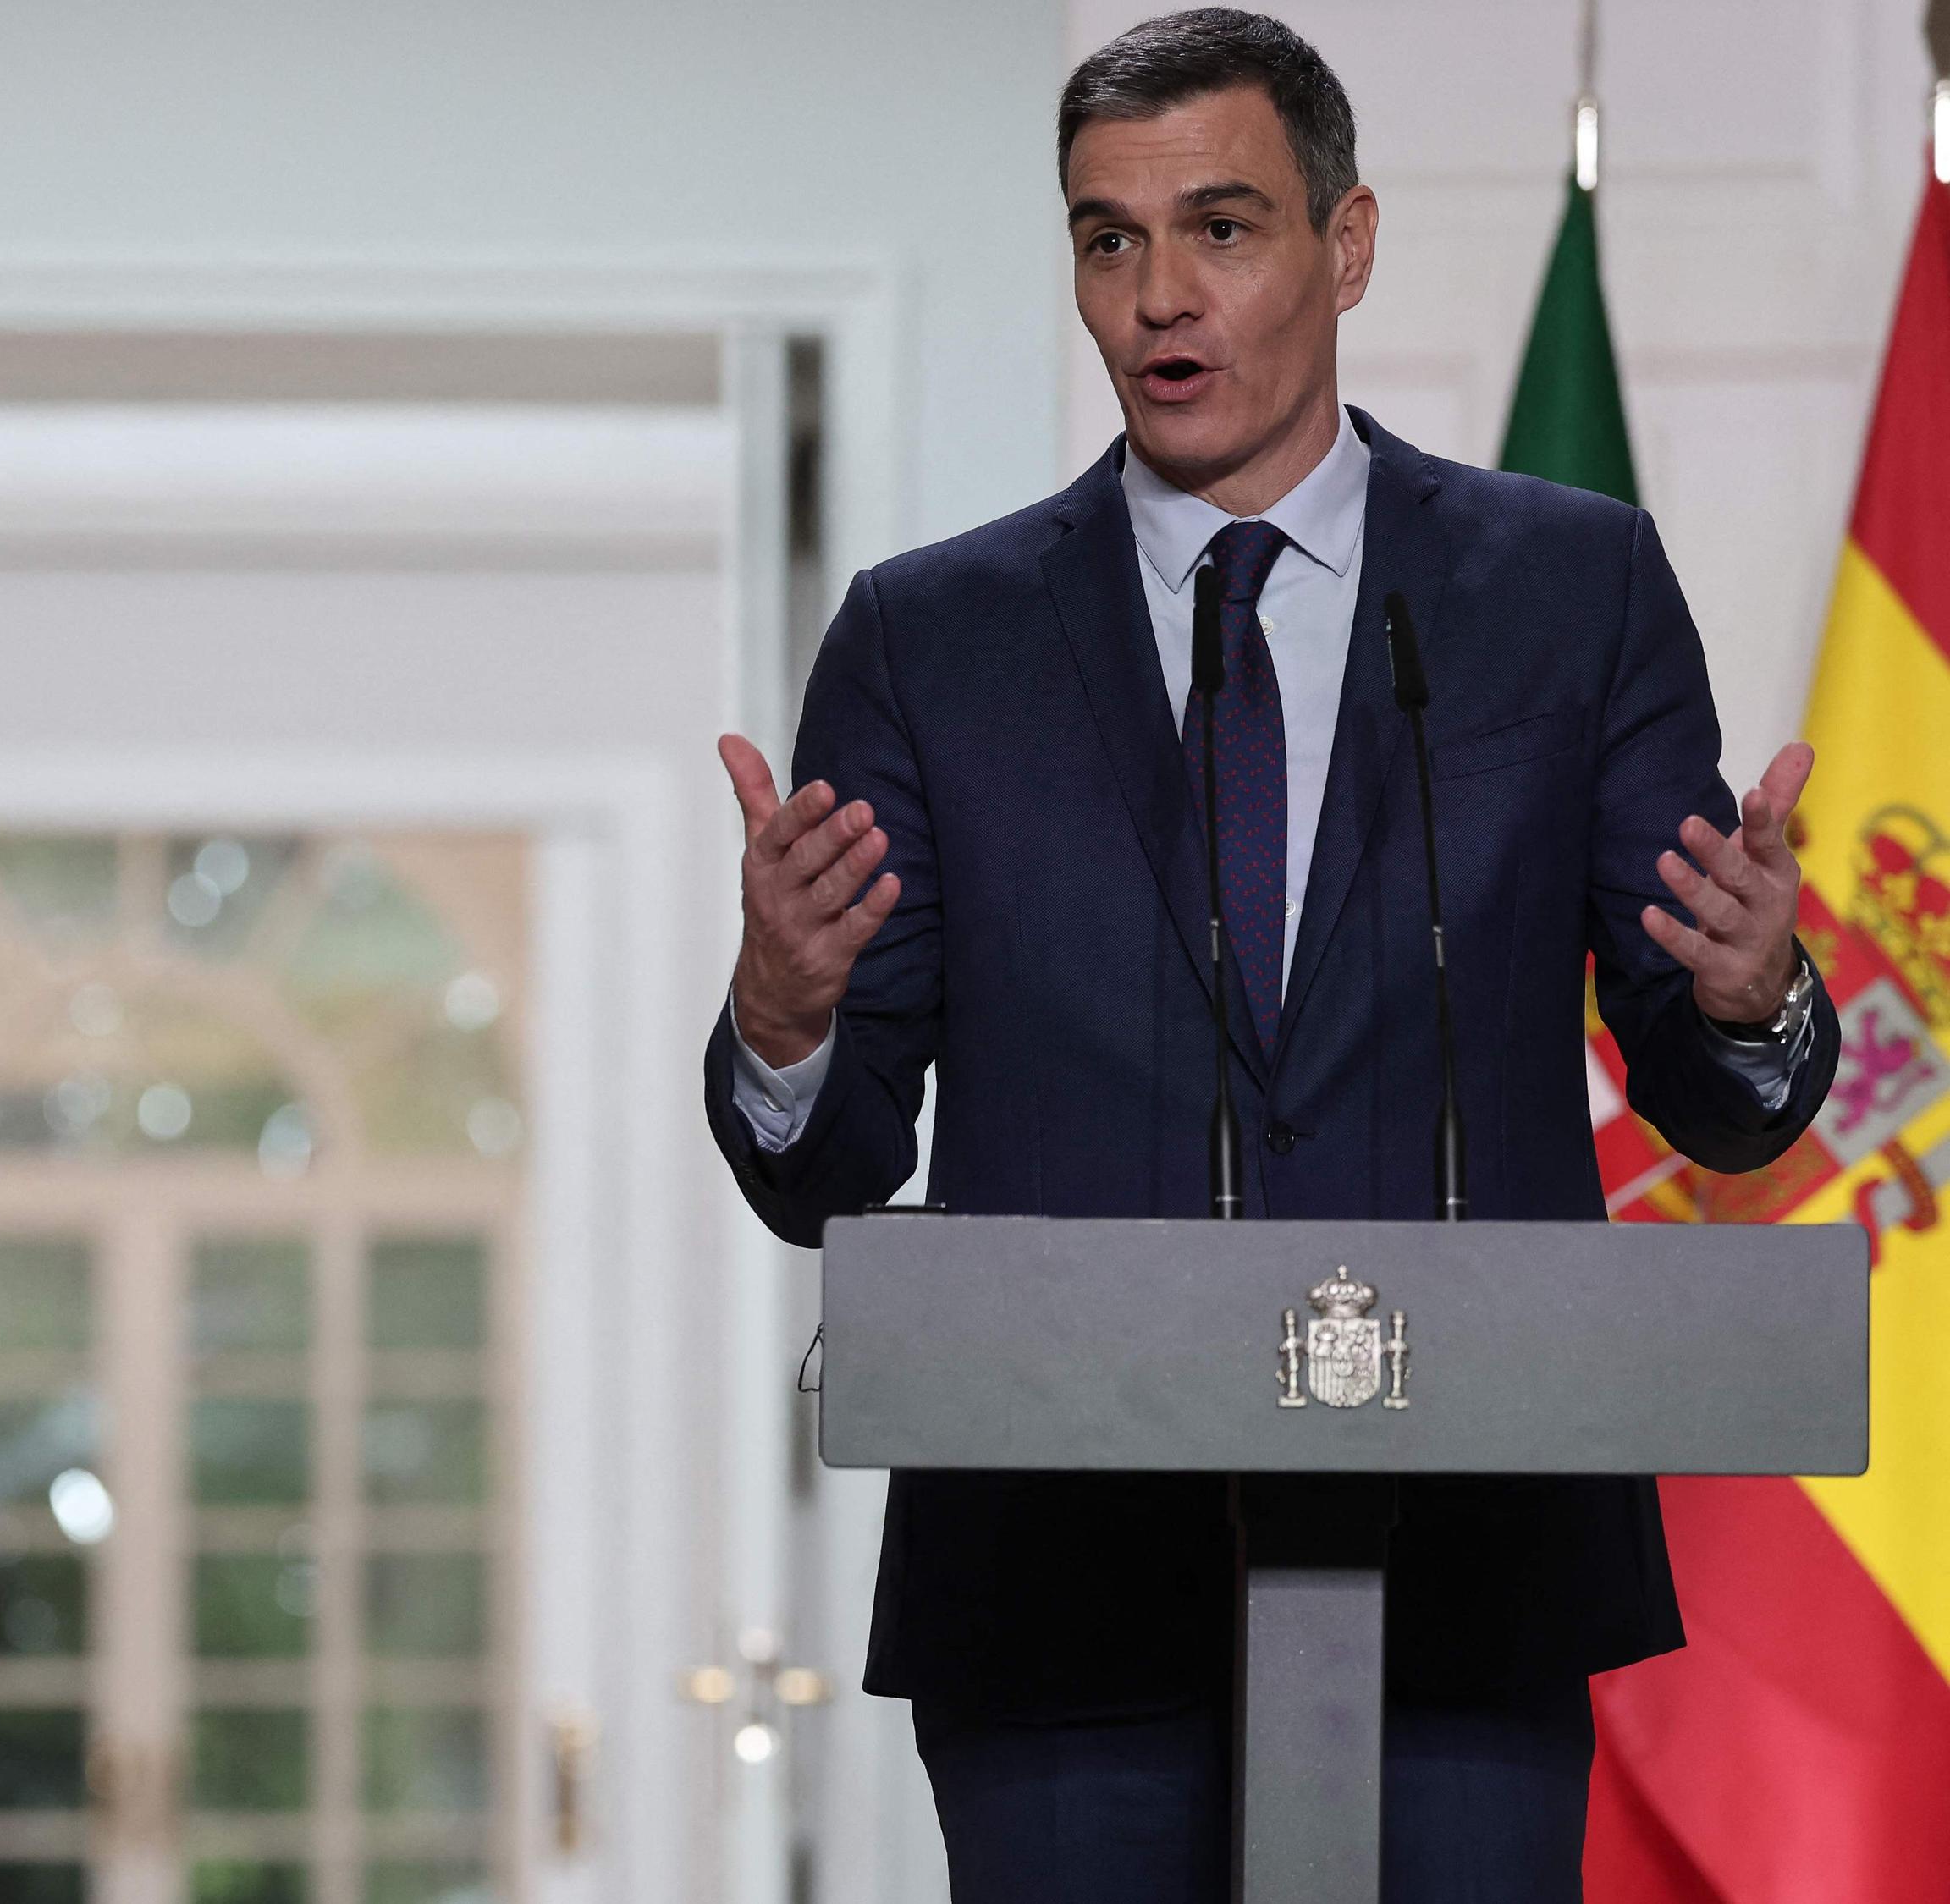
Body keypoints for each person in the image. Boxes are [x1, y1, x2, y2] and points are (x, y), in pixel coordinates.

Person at [705, 11, 1837, 1900]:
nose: (1158, 294)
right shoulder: (928, 639)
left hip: (1468, 1576)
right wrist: (784, 1015)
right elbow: (828, 1167)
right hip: (1056, 1600)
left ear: (1346, 243)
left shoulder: (1569, 590)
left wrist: (1743, 998)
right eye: (1108, 239)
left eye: (1219, 229)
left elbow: (1713, 1093)